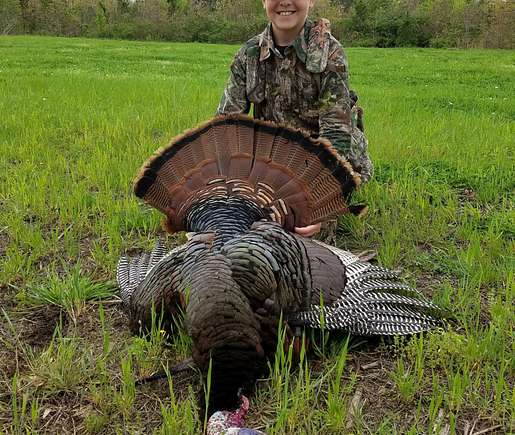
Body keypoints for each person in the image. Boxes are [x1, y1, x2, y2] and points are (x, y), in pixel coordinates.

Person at [217, 0, 372, 237]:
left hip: (322, 159)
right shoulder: (248, 54)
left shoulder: (330, 53)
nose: (285, 2)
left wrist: (319, 206)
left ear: (311, 1)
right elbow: (227, 126)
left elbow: (336, 136)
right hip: (275, 161)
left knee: (303, 227)